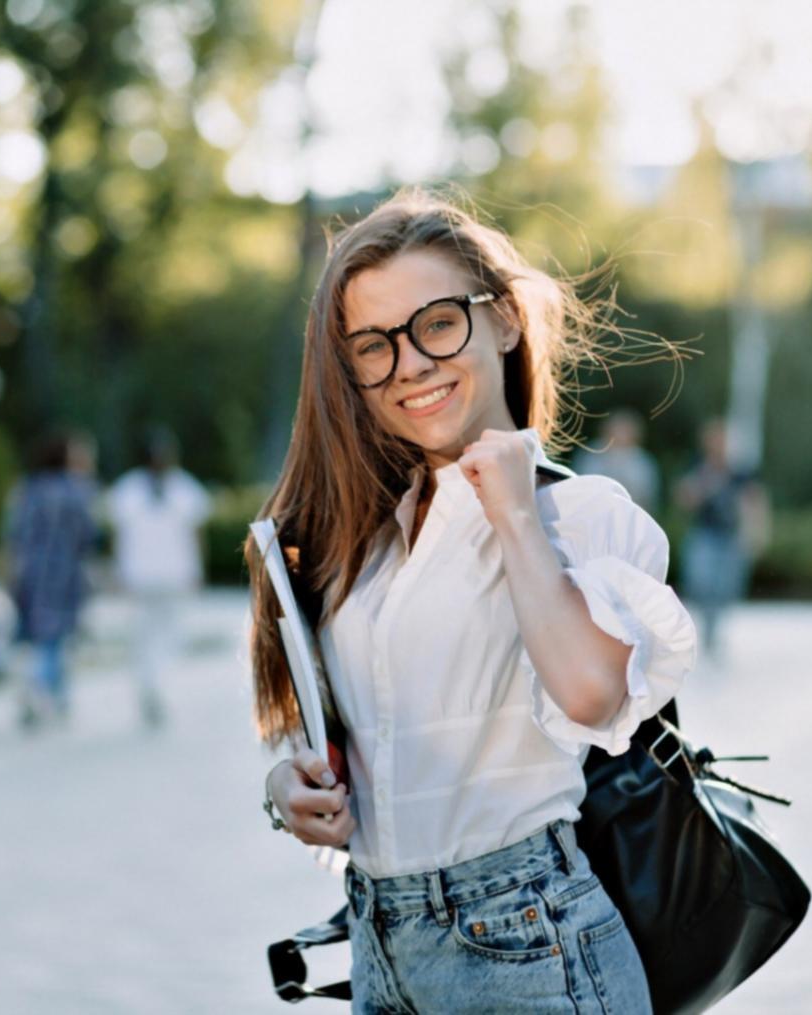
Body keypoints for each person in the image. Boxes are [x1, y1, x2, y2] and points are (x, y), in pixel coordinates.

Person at [249, 191, 696, 1013]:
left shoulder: (582, 515)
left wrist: (516, 515)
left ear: (503, 320)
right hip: (380, 945)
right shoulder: (367, 536)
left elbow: (591, 696)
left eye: (437, 323)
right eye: (373, 346)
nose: (410, 364)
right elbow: (354, 727)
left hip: (528, 943)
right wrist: (288, 787)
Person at [107, 426, 211, 727]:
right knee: (155, 635)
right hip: (156, 574)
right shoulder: (175, 488)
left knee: (157, 635)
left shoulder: (136, 488)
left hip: (155, 573)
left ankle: (154, 683)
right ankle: (154, 684)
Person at [4, 430, 97, 728]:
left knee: (39, 635)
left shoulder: (29, 489)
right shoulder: (76, 490)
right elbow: (88, 536)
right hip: (65, 575)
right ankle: (43, 688)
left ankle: (51, 693)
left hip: (31, 572)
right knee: (57, 638)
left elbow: (13, 534)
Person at [675, 419, 768, 653]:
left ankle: (713, 632)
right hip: (704, 534)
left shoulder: (739, 471)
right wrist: (705, 480)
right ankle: (706, 625)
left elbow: (754, 500)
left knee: (725, 589)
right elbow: (685, 499)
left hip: (730, 537)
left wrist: (757, 533)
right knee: (700, 582)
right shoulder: (698, 465)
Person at [572, 409, 660, 514]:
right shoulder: (591, 454)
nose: (620, 433)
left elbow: (647, 499)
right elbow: (581, 489)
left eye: (625, 430)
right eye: (617, 428)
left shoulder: (643, 462)